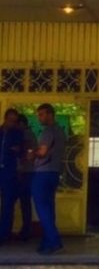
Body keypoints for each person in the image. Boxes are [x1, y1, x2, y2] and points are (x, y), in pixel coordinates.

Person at [30, 103, 66, 254]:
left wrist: (31, 154)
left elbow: (42, 152)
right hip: (54, 172)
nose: (39, 118)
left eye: (41, 114)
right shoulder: (60, 131)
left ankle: (54, 241)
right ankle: (47, 242)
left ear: (50, 114)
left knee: (42, 208)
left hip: (43, 173)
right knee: (49, 208)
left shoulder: (48, 131)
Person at [0, 108, 23, 244]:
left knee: (7, 203)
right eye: (10, 120)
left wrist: (18, 150)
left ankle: (4, 234)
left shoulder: (17, 133)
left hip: (9, 171)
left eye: (14, 121)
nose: (12, 123)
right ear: (5, 119)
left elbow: (22, 152)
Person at [16, 114, 38, 241]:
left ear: (22, 124)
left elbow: (28, 153)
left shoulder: (27, 135)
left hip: (26, 172)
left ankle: (26, 229)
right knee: (24, 201)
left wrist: (21, 163)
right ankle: (26, 229)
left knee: (24, 201)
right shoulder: (28, 134)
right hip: (27, 171)